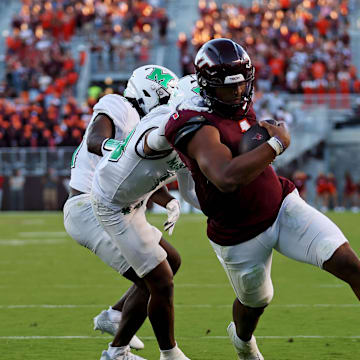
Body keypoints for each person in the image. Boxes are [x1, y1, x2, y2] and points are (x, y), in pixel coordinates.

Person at [165, 38, 360, 360]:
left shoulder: (237, 104)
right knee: (256, 301)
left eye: (243, 85)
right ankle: (242, 340)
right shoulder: (194, 123)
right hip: (238, 233)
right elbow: (226, 178)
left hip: (282, 205)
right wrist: (276, 145)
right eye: (230, 88)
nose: (239, 94)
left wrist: (264, 143)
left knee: (350, 265)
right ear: (207, 86)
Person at [63, 65, 179, 360]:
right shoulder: (119, 104)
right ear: (148, 93)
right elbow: (95, 140)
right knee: (153, 280)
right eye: (164, 99)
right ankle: (117, 352)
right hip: (90, 206)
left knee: (172, 262)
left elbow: (133, 174)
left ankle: (114, 315)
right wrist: (122, 147)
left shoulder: (143, 120)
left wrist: (168, 201)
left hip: (117, 206)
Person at [91, 75, 204, 360]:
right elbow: (149, 144)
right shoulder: (163, 125)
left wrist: (220, 211)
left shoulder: (187, 131)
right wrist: (170, 133)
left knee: (171, 264)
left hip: (134, 204)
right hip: (112, 205)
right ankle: (167, 353)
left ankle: (117, 343)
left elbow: (190, 192)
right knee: (160, 281)